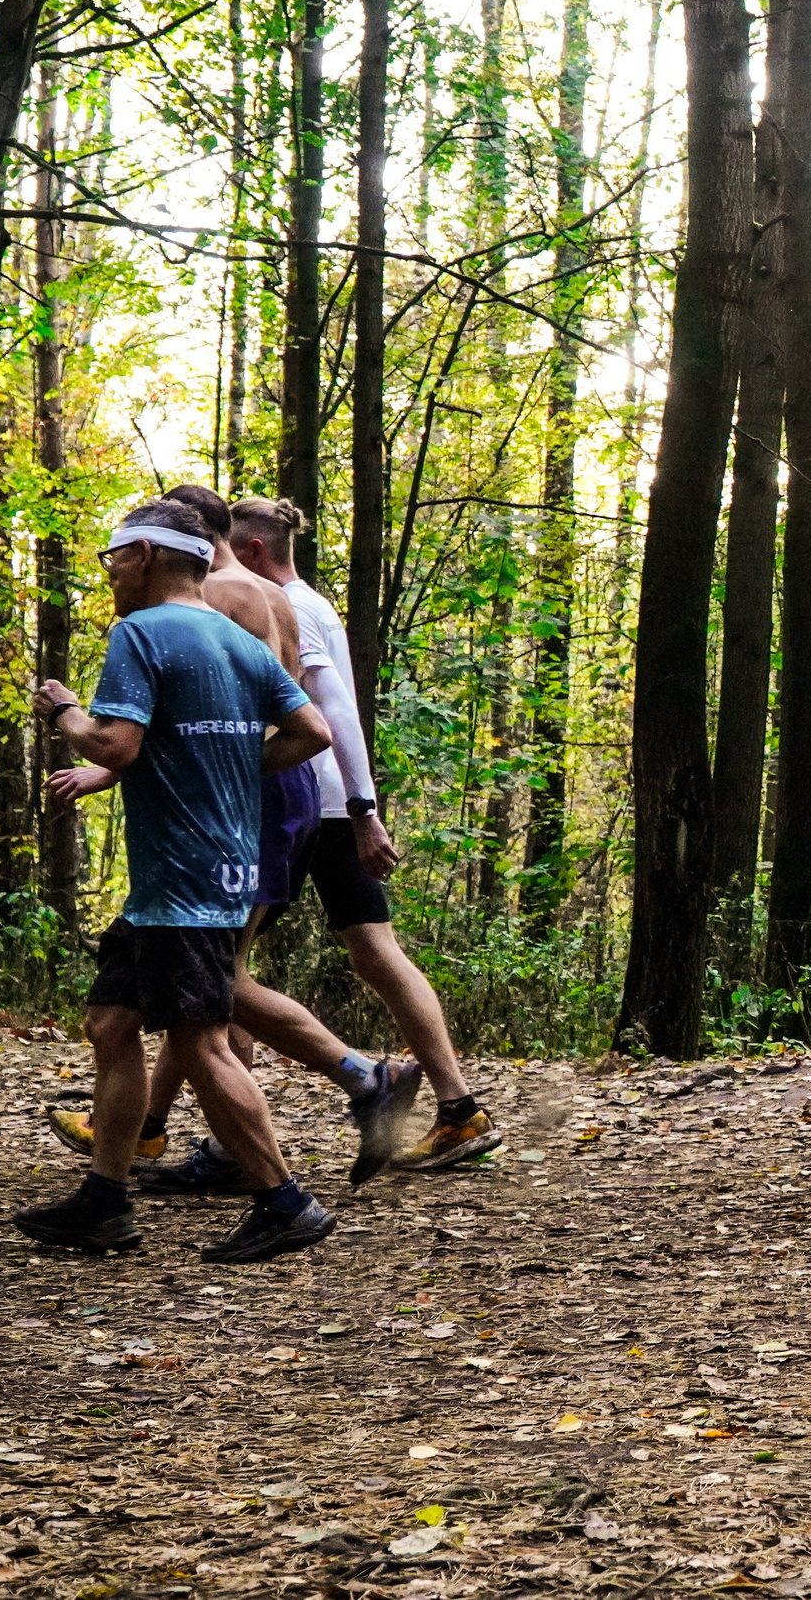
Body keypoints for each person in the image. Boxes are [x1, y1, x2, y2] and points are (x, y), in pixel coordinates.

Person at [41, 484, 423, 1190]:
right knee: (187, 988)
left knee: (210, 990)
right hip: (269, 790)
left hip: (232, 804)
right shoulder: (275, 597)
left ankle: (325, 1122)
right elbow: (311, 712)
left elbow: (179, 720)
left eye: (122, 553)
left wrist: (91, 745)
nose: (115, 569)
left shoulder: (196, 610)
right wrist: (357, 801)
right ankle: (140, 1156)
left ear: (165, 546)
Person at [12, 500, 342, 1261]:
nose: (111, 573)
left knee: (199, 1042)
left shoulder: (141, 633)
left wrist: (64, 710)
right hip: (197, 873)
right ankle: (104, 1200)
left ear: (150, 555)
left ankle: (285, 1200)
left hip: (185, 880)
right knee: (112, 1023)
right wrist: (229, 766)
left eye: (114, 558)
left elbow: (115, 744)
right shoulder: (234, 635)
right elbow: (311, 731)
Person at [226, 496, 501, 1169]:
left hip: (306, 806)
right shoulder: (305, 604)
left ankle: (190, 1134)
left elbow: (338, 710)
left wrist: (362, 807)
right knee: (372, 953)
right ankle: (460, 1109)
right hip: (326, 805)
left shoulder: (286, 606)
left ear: (255, 550)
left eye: (229, 547)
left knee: (218, 966)